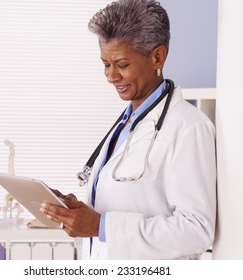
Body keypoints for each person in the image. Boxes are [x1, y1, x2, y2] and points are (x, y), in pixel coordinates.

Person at [41, 0, 216, 260]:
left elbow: (197, 230)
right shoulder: (125, 125)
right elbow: (120, 206)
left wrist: (101, 226)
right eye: (105, 64)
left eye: (122, 65)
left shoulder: (188, 126)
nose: (111, 76)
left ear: (157, 57)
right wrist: (77, 213)